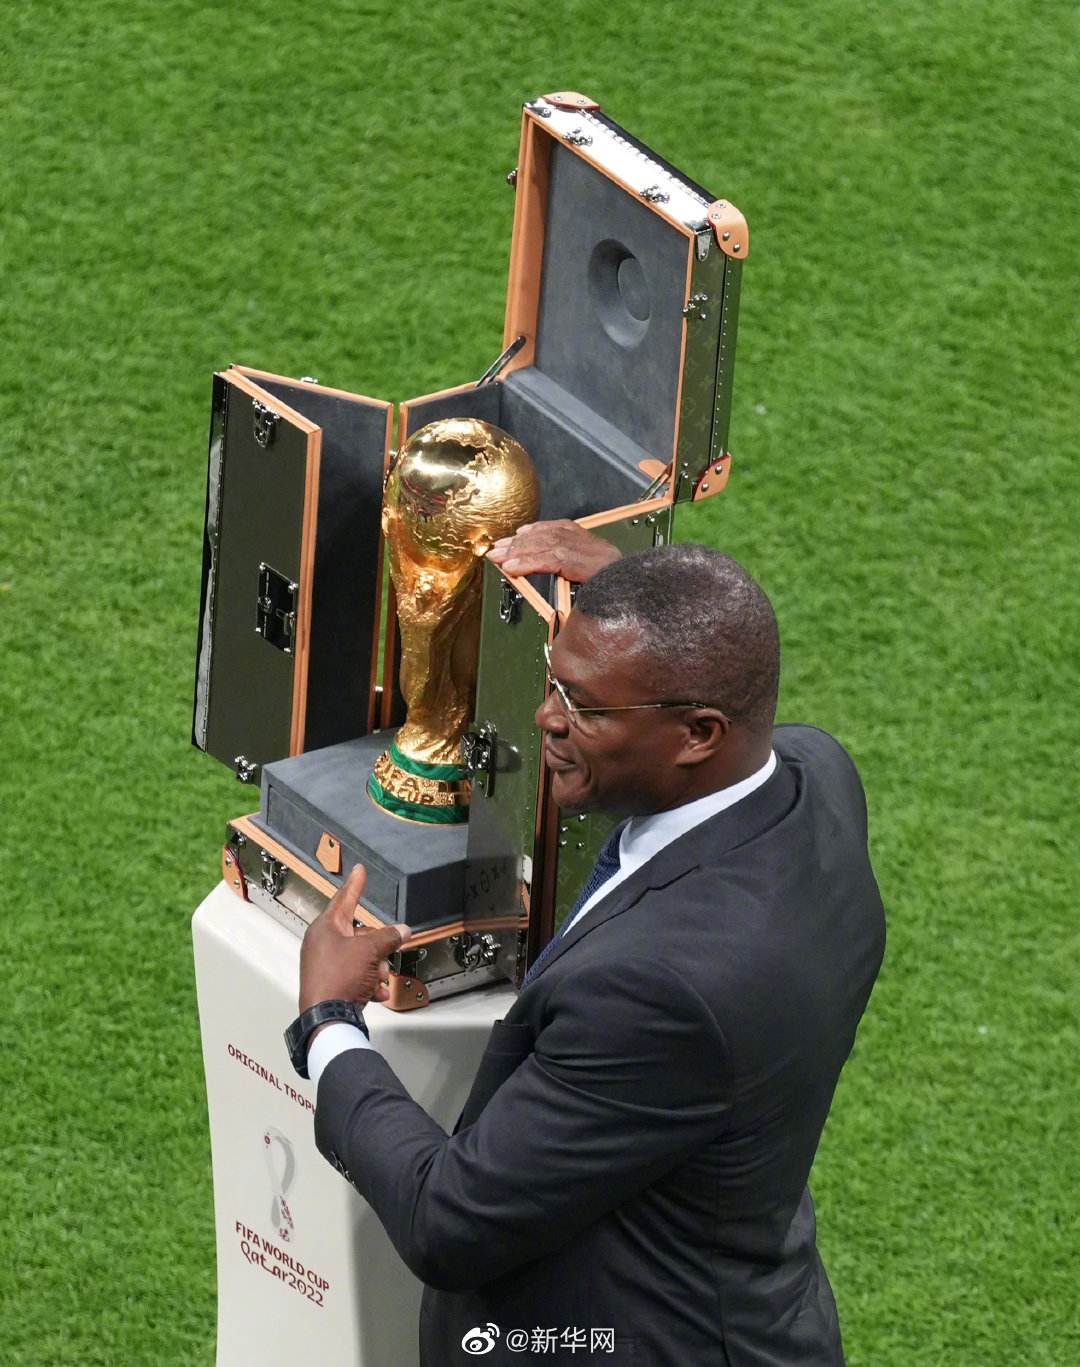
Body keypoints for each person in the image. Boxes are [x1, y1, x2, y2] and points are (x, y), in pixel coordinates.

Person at [291, 532, 886, 1366]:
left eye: (586, 707)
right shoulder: (818, 779)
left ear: (698, 732)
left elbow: (448, 1219)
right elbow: (731, 694)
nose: (546, 718)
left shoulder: (657, 992)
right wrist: (634, 616)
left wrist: (328, 1022)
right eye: (556, 682)